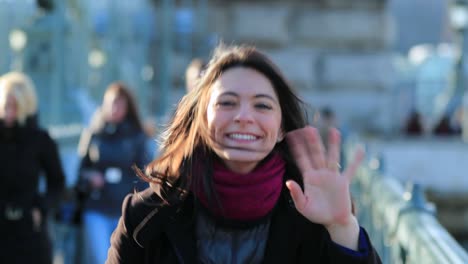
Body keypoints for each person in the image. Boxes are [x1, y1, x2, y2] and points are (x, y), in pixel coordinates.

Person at [107, 44, 382, 263]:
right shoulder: (147, 216)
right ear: (202, 118)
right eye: (227, 102)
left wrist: (342, 228)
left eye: (262, 106)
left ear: (282, 126)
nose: (243, 117)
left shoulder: (313, 213)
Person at [75, 81, 152, 264]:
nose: (114, 108)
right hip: (97, 208)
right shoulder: (94, 134)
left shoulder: (137, 136)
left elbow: (144, 177)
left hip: (125, 211)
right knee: (101, 258)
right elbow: (81, 173)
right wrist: (90, 179)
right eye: (110, 103)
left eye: (119, 103)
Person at [0, 72, 65, 264]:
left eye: (15, 107)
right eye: (6, 106)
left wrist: (41, 208)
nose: (10, 113)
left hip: (29, 233)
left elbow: (57, 182)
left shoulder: (40, 139)